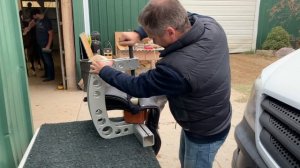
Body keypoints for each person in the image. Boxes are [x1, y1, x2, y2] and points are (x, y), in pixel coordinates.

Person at [90, 0, 231, 167]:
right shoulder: (210, 25)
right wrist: (139, 34)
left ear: (170, 32)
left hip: (204, 131)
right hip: (213, 116)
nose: (152, 39)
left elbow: (138, 87)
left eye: (153, 37)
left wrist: (105, 70)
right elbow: (180, 14)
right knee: (186, 159)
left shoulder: (176, 68)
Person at [30, 8, 55, 82]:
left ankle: (51, 76)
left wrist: (48, 45)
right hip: (40, 44)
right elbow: (32, 24)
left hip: (46, 44)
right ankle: (47, 74)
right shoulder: (38, 20)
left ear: (36, 15)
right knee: (44, 60)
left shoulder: (46, 21)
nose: (33, 18)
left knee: (48, 61)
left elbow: (51, 34)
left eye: (33, 16)